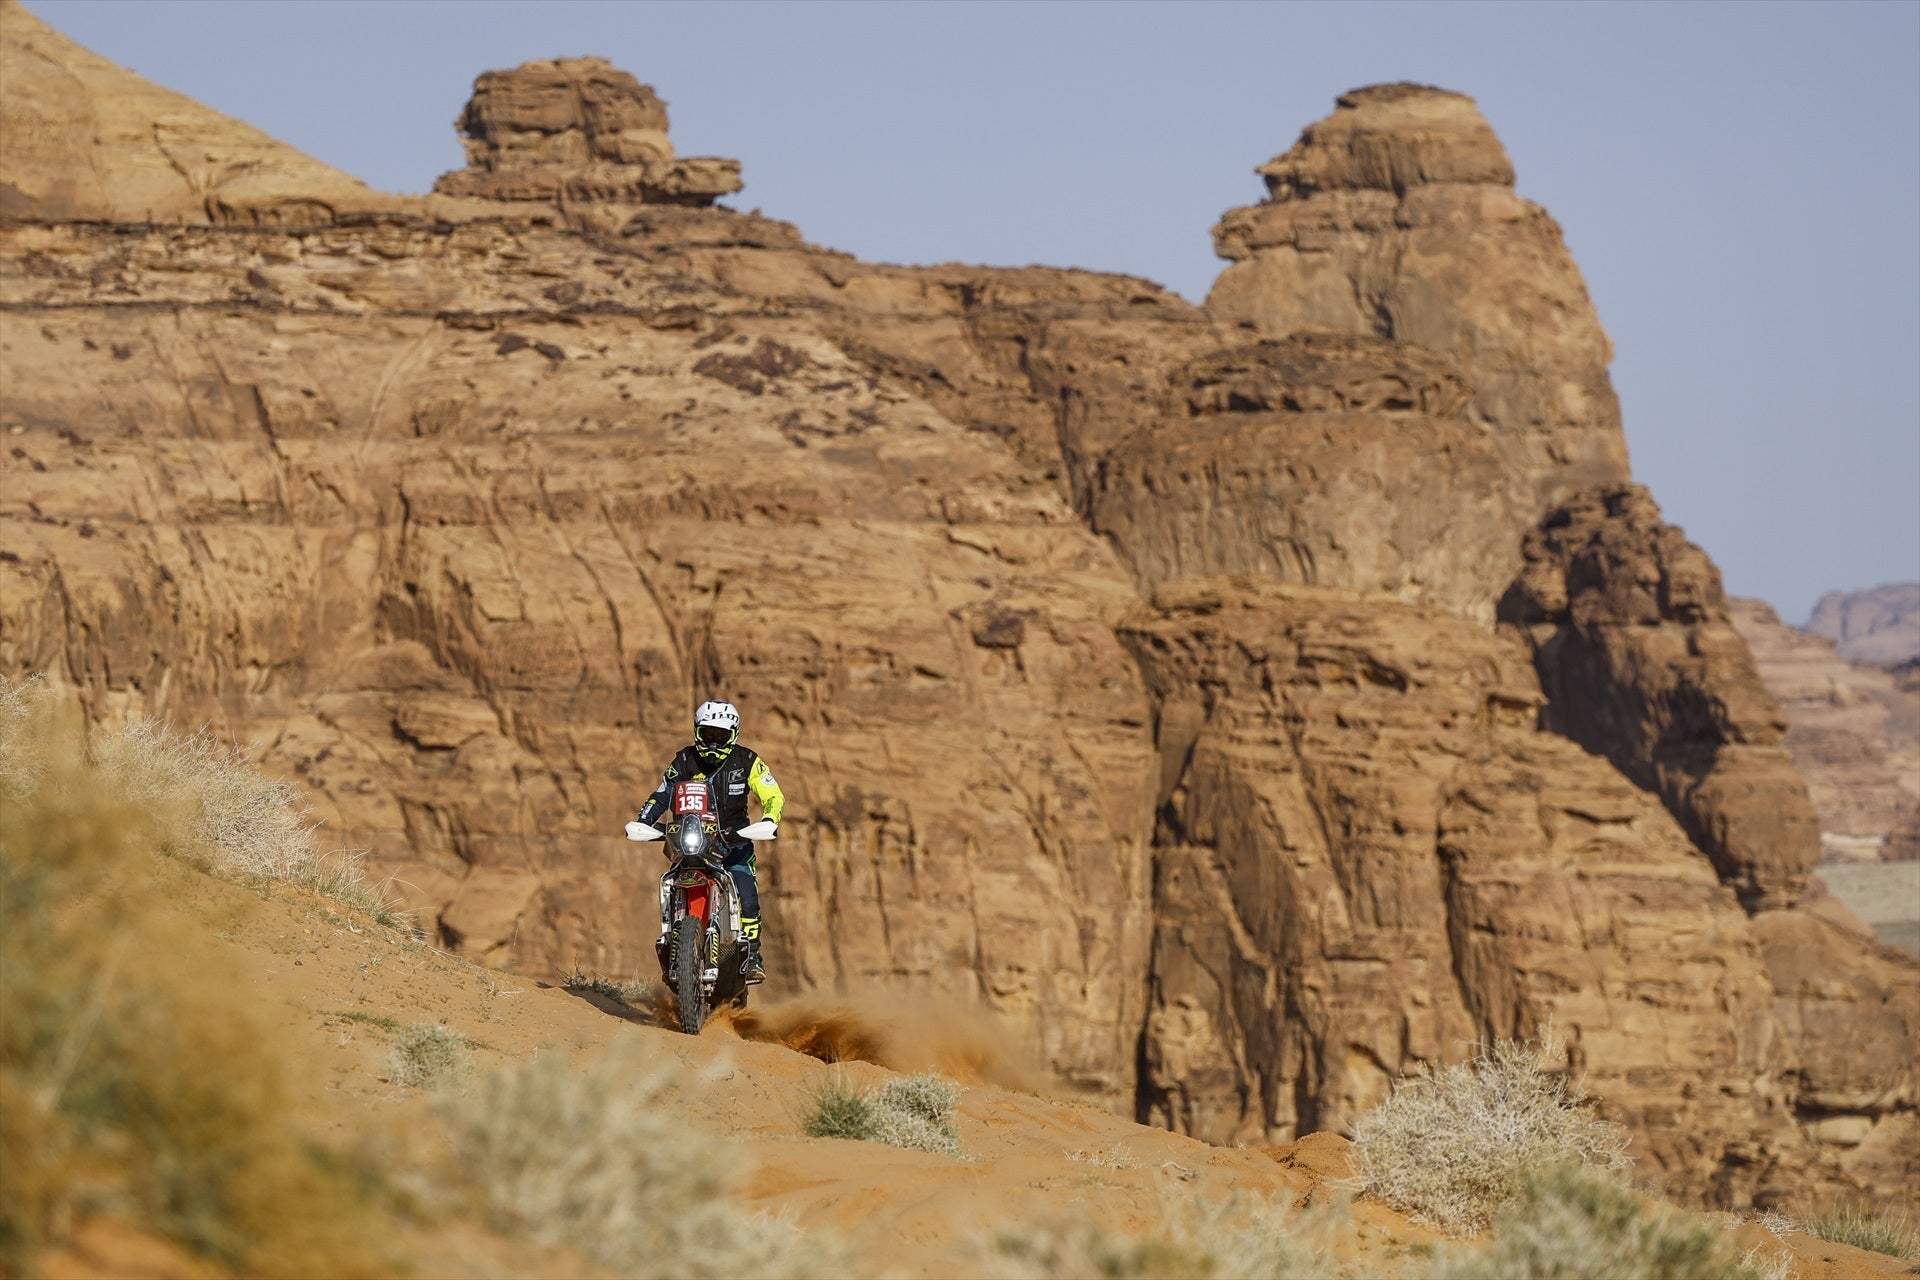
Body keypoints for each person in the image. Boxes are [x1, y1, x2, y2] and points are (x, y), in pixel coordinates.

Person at [637, 700, 784, 982]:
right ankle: (673, 940)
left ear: (734, 735)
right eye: (708, 735)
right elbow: (661, 794)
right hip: (692, 843)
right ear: (697, 732)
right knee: (670, 881)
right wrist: (644, 820)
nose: (714, 742)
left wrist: (768, 820)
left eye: (721, 736)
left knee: (747, 896)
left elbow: (773, 795)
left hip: (734, 844)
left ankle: (752, 954)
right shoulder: (683, 760)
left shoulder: (748, 761)